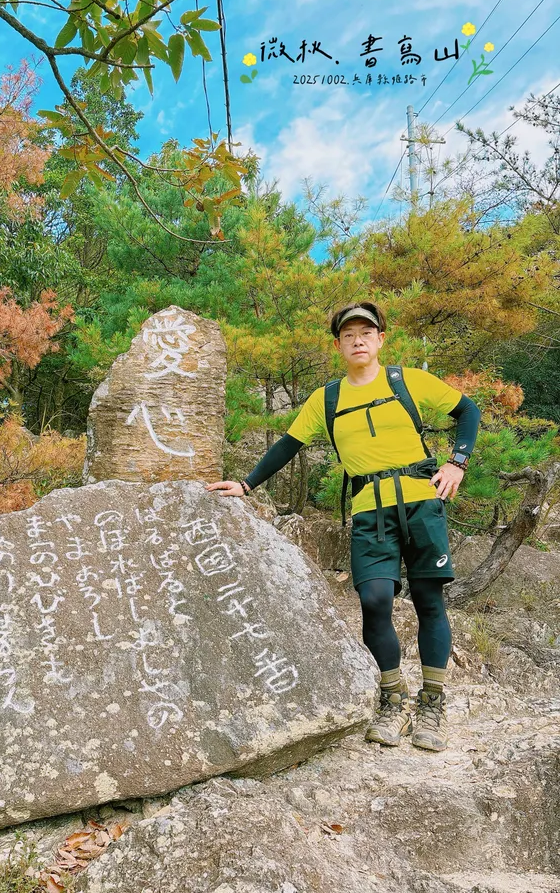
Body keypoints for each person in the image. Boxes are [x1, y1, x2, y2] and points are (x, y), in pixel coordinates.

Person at [205, 301, 481, 752]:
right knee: (374, 600)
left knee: (430, 600)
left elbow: (467, 412)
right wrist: (246, 483)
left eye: (366, 333)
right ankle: (393, 698)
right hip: (370, 511)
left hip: (422, 503)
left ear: (379, 340)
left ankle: (432, 702)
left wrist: (457, 463)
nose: (358, 340)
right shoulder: (327, 398)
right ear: (339, 345)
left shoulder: (408, 381)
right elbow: (289, 445)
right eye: (349, 334)